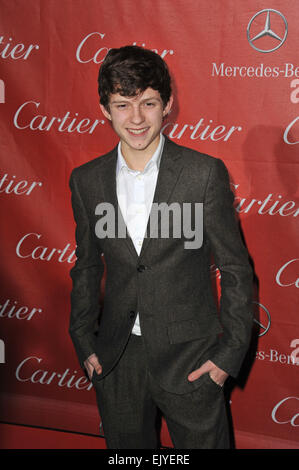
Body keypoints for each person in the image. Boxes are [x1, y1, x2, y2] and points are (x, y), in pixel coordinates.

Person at [68, 45, 253, 449]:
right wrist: (83, 339)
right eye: (122, 105)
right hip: (117, 358)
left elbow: (236, 269)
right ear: (105, 109)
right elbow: (86, 267)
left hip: (192, 357)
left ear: (167, 105)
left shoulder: (202, 174)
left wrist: (228, 355)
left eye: (148, 103)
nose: (136, 119)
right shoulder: (86, 181)